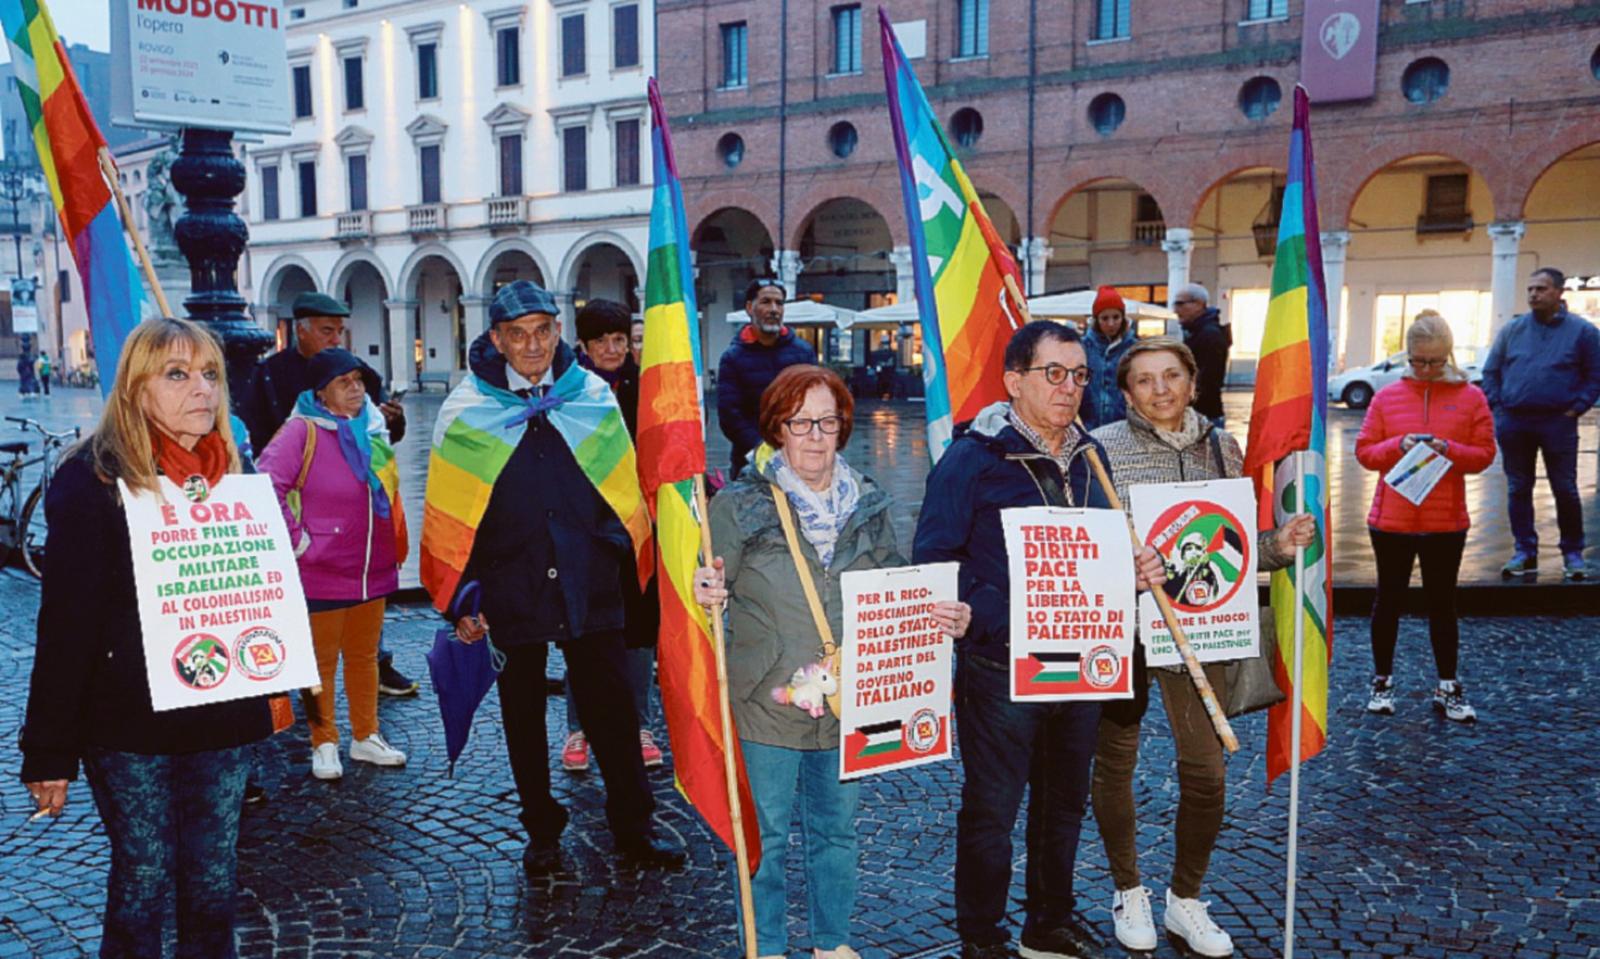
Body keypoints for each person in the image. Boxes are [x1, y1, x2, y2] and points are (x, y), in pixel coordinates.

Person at [693, 364, 972, 959]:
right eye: (800, 422)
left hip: (849, 700)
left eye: (828, 421)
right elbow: (709, 586)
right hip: (766, 700)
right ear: (776, 430)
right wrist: (704, 589)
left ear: (844, 427)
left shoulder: (868, 503)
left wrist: (943, 615)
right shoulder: (739, 505)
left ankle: (831, 944)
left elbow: (897, 588)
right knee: (763, 836)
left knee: (836, 832)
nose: (815, 435)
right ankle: (765, 946)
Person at [20, 317, 275, 956]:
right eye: (178, 374)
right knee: (144, 877)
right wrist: (49, 751)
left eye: (211, 374)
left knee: (215, 881)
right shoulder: (93, 481)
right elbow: (66, 625)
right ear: (136, 389)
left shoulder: (232, 479)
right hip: (129, 724)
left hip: (221, 711)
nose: (203, 390)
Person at [913, 320, 1166, 959]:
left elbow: (1102, 550)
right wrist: (986, 612)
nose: (1069, 387)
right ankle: (982, 937)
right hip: (1000, 666)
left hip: (1079, 659)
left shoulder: (1091, 456)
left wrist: (1130, 575)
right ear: (1014, 380)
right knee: (993, 812)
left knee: (1063, 804)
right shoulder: (973, 458)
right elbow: (934, 556)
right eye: (1053, 373)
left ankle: (1048, 923)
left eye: (1080, 375)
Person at [423, 280, 684, 873]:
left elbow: (621, 482)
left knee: (612, 707)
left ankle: (633, 828)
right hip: (510, 581)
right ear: (496, 339)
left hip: (588, 576)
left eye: (542, 331)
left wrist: (616, 546)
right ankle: (541, 829)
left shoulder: (589, 394)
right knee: (522, 710)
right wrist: (464, 596)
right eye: (518, 334)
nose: (532, 345)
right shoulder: (467, 410)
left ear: (558, 332)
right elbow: (450, 511)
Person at [1088, 338, 1315, 957]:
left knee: (1207, 770)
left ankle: (1185, 898)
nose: (1159, 390)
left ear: (1192, 381)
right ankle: (1127, 887)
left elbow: (1233, 544)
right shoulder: (1100, 449)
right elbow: (1081, 545)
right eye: (1143, 380)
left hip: (1201, 626)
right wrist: (1119, 565)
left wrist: (1279, 544)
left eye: (1170, 376)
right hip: (1128, 627)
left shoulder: (1223, 445)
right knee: (1116, 762)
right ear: (1126, 391)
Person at [244, 290, 418, 695]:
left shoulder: (359, 373)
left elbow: (381, 440)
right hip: (300, 504)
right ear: (300, 331)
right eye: (326, 331)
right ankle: (286, 684)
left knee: (364, 592)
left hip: (356, 507)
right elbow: (256, 442)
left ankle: (377, 663)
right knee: (297, 601)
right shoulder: (270, 374)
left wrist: (395, 421)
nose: (336, 338)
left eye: (340, 330)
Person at [260, 348, 410, 780]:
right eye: (345, 383)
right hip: (322, 567)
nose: (357, 390)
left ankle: (366, 736)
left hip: (372, 565)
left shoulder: (372, 431)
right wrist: (300, 541)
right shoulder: (300, 431)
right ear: (320, 392)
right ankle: (323, 741)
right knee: (320, 661)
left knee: (364, 656)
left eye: (359, 381)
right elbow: (267, 482)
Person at [1356, 312, 1496, 722]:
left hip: (1445, 521)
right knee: (1388, 601)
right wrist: (1397, 445)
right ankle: (1382, 681)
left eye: (1435, 362)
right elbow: (1364, 452)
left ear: (1448, 356)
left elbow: (1485, 454)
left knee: (1442, 603)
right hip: (1391, 520)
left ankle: (1448, 686)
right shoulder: (1387, 397)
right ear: (1407, 355)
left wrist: (1448, 448)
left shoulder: (1471, 397)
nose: (1426, 370)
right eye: (1418, 361)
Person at [563, 298, 661, 772]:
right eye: (602, 340)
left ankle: (639, 722)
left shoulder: (645, 390)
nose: (612, 348)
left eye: (620, 339)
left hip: (636, 526)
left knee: (639, 627)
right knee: (580, 626)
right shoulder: (569, 392)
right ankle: (578, 727)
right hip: (582, 528)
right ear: (584, 344)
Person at [1480, 267, 1600, 580]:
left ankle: (1572, 553)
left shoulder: (1583, 332)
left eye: (1542, 289)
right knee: (1519, 488)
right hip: (1514, 422)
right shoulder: (1513, 329)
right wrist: (1499, 407)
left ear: (1559, 293)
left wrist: (1576, 408)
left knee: (1565, 489)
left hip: (1558, 422)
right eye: (1531, 288)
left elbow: (1595, 375)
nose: (1534, 294)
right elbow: (1490, 372)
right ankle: (1524, 551)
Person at [717, 278, 816, 476]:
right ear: (749, 308)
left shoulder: (803, 353)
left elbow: (815, 404)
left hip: (799, 457)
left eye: (779, 303)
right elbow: (729, 415)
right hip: (750, 461)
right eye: (766, 302)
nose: (774, 309)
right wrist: (760, 447)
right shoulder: (733, 358)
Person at [1172, 283, 1231, 425]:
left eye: (1180, 304)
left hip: (1204, 417)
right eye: (1175, 304)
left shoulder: (1209, 335)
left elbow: (1208, 381)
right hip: (1197, 415)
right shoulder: (1196, 332)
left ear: (1199, 304)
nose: (1175, 310)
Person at [1081, 286, 1137, 430]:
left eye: (1116, 317)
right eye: (1105, 318)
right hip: (1089, 424)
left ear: (1123, 318)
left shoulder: (1134, 348)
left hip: (1124, 425)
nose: (1111, 323)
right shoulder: (1083, 347)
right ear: (1096, 320)